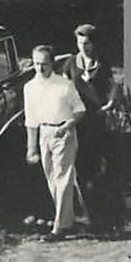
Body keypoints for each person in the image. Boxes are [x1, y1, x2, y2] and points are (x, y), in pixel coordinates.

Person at [24, 43, 86, 241]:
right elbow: (31, 119)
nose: (40, 68)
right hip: (44, 133)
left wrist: (67, 126)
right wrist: (31, 148)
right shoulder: (29, 87)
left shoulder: (64, 85)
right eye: (36, 64)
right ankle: (69, 220)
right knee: (53, 179)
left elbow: (80, 110)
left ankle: (59, 228)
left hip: (64, 133)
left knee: (63, 178)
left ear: (52, 63)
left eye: (44, 64)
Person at [63, 23, 119, 231]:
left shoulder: (102, 63)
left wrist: (109, 104)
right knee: (80, 166)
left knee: (97, 165)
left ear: (93, 43)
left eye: (87, 43)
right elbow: (65, 88)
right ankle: (82, 213)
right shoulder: (71, 63)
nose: (83, 48)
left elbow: (113, 86)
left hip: (97, 119)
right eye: (80, 43)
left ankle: (100, 215)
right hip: (78, 120)